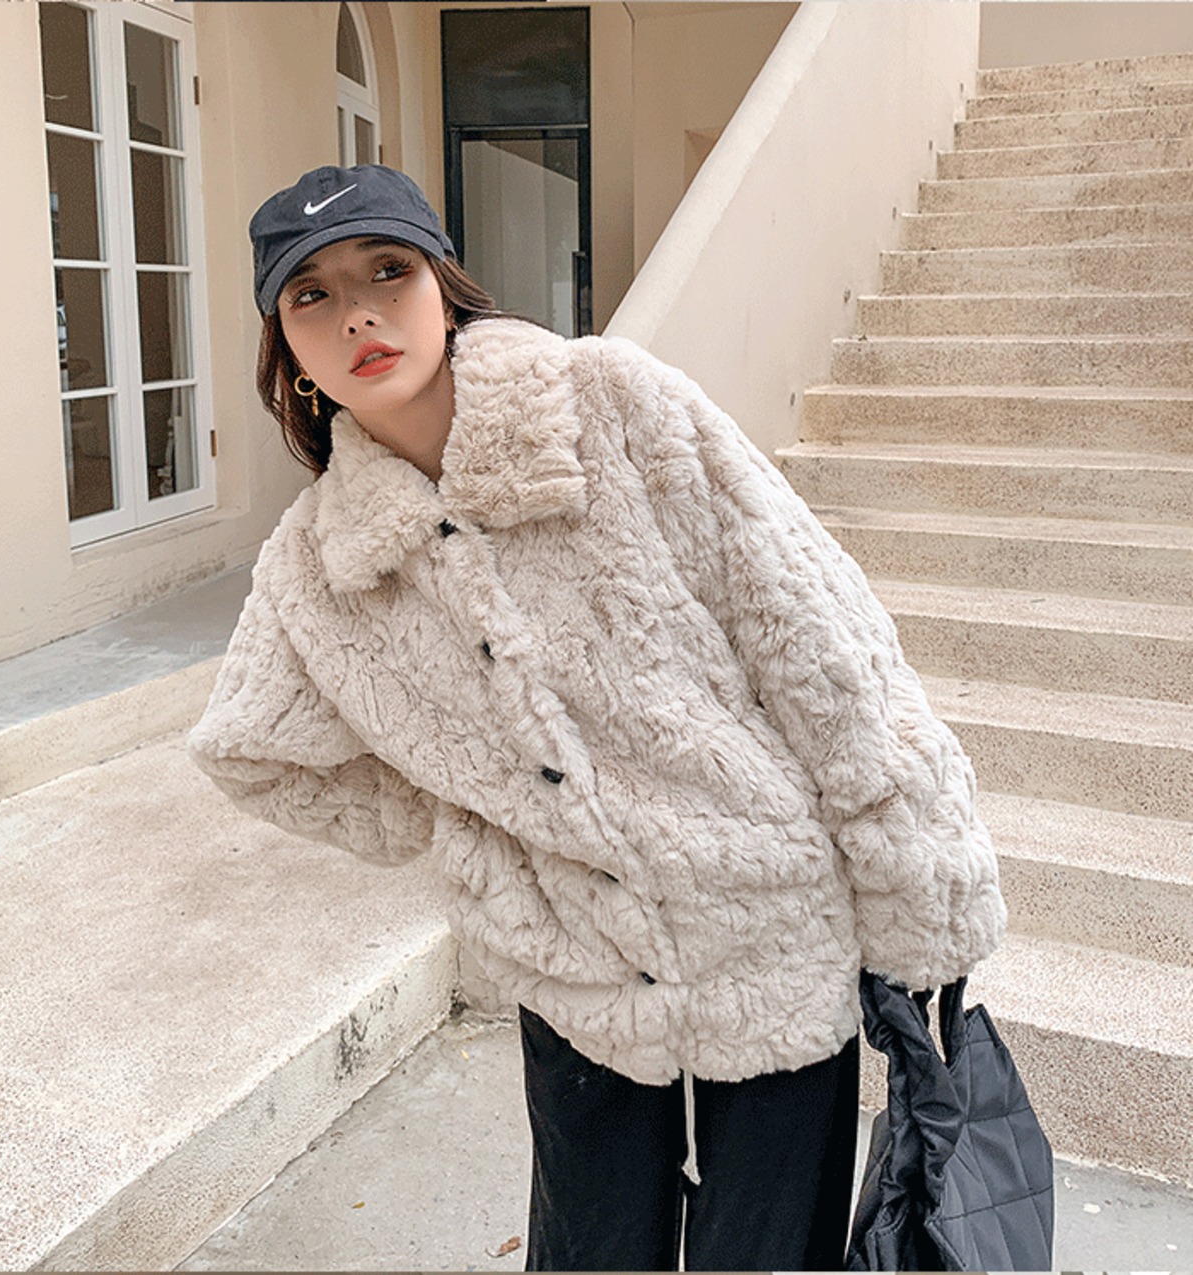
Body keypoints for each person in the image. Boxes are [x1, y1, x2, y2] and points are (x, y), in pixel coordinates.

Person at [188, 163, 1007, 1271]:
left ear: (443, 286)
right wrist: (474, 820)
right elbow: (255, 752)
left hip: (768, 924)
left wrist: (914, 880)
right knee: (592, 1254)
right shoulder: (316, 563)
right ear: (285, 346)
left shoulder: (611, 403)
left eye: (387, 272)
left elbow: (817, 639)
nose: (359, 316)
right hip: (573, 973)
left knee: (766, 1255)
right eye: (312, 295)